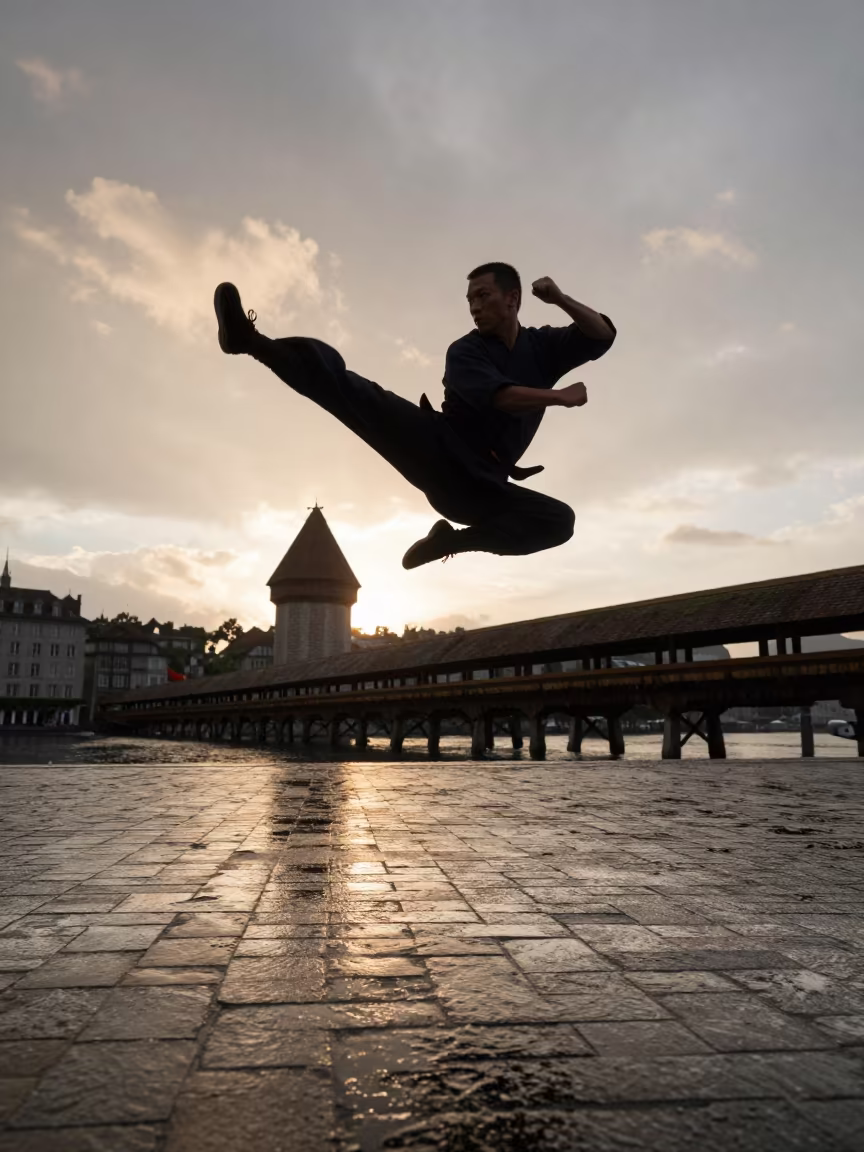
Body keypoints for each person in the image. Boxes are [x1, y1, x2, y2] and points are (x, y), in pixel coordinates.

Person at [213, 262, 615, 568]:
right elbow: (502, 398)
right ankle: (249, 341)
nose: (475, 307)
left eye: (484, 296)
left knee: (559, 521)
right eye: (470, 300)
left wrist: (560, 298)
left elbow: (602, 335)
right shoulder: (465, 351)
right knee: (356, 394)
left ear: (512, 299)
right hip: (438, 448)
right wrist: (557, 396)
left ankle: (450, 543)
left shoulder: (542, 346)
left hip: (483, 486)